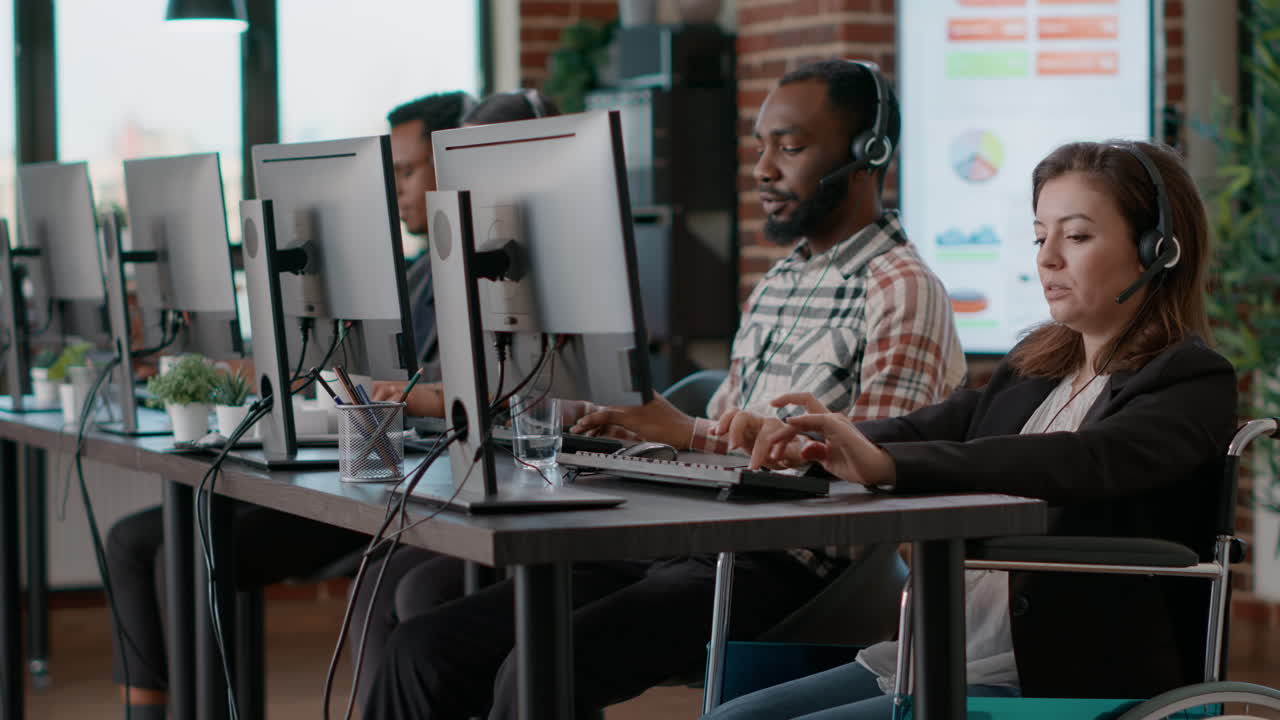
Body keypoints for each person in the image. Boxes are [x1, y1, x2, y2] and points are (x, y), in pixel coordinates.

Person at [363, 59, 966, 720]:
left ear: (867, 155)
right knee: (425, 647)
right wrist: (636, 426)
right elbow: (726, 433)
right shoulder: (781, 281)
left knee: (538, 669)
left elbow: (873, 477)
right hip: (685, 535)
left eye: (789, 149)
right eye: (759, 147)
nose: (762, 169)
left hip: (774, 563)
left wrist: (682, 431)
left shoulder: (901, 289)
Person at [701, 139, 1237, 719]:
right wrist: (817, 436)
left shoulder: (1191, 379)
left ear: (1157, 250)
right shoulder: (1036, 366)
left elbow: (1085, 460)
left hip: (1053, 675)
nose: (1047, 258)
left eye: (1076, 236)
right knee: (732, 717)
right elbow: (925, 428)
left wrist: (891, 468)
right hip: (937, 653)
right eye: (1040, 236)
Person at [102, 91, 474, 719]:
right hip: (354, 468)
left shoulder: (462, 285)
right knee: (137, 540)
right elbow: (346, 367)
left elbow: (424, 385)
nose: (398, 191)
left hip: (399, 482)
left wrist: (370, 388)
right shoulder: (409, 276)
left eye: (408, 172)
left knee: (191, 547)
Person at [349, 88, 563, 706]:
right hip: (464, 472)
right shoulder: (438, 268)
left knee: (410, 590)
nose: (401, 191)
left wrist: (428, 397)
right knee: (394, 580)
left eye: (410, 172)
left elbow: (535, 391)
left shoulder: (549, 271)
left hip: (532, 480)